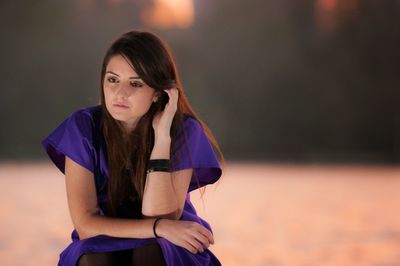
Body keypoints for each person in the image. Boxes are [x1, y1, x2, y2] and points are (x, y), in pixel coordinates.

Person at [41, 29, 225, 266]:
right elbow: (86, 225)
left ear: (159, 93)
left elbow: (161, 215)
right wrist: (160, 227)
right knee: (94, 256)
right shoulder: (82, 128)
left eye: (135, 84)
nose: (120, 93)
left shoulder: (183, 131)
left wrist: (161, 138)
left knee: (150, 251)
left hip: (167, 246)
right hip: (103, 239)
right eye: (113, 80)